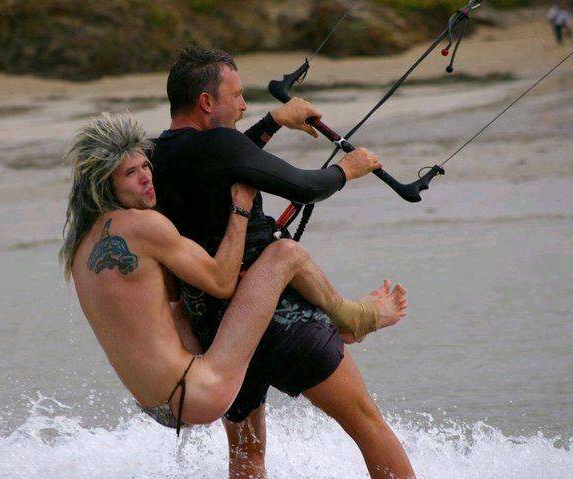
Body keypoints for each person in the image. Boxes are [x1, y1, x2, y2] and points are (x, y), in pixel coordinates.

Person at [151, 46, 415, 478]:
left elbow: (225, 160)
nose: (243, 105)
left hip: (219, 335)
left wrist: (273, 122)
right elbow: (303, 186)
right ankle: (351, 318)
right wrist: (347, 169)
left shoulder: (157, 157)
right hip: (278, 317)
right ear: (206, 102)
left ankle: (350, 317)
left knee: (246, 455)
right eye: (236, 95)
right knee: (368, 426)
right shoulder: (218, 145)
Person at [59, 113, 407, 441]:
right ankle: (354, 317)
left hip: (157, 405)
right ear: (105, 183)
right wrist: (240, 209)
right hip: (198, 390)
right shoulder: (142, 226)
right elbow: (222, 283)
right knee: (284, 254)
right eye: (130, 173)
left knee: (178, 304)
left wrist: (272, 122)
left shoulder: (79, 247)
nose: (146, 177)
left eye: (145, 166)